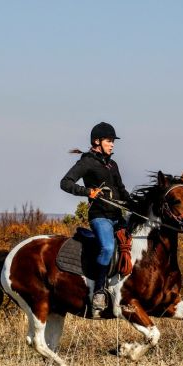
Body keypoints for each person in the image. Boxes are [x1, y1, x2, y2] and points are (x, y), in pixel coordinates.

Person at [60, 121, 131, 313]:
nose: (112, 144)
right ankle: (99, 290)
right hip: (100, 217)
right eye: (109, 141)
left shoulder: (112, 164)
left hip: (117, 216)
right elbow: (65, 183)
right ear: (97, 141)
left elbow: (121, 190)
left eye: (113, 141)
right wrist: (87, 191)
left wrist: (134, 203)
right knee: (107, 247)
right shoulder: (87, 162)